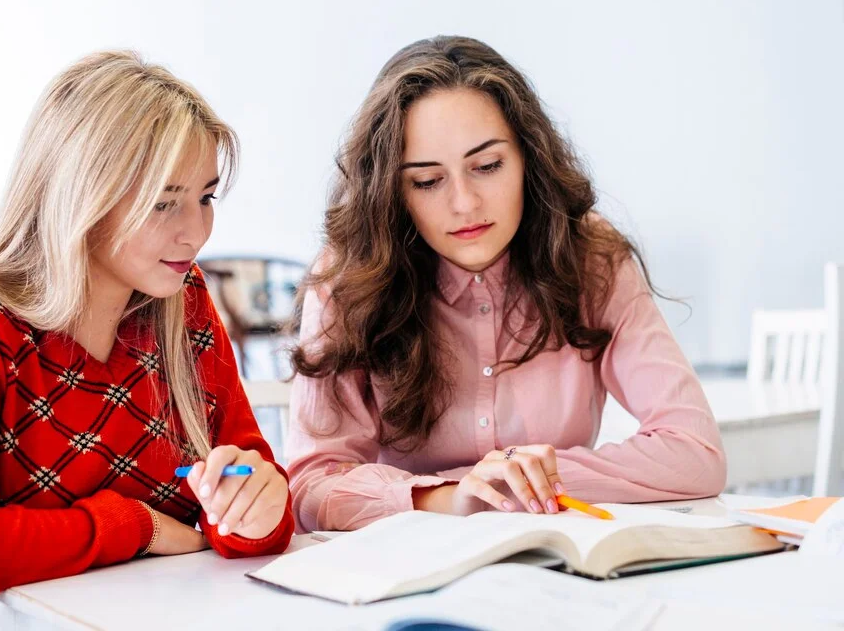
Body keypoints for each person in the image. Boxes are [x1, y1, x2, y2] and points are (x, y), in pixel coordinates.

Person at [0, 51, 293, 630]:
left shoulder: (186, 300)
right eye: (164, 202)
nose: (197, 231)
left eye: (206, 197)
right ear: (81, 198)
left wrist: (257, 513)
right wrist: (135, 526)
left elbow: (249, 497)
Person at [286, 35, 725, 533]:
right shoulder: (348, 278)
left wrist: (510, 483)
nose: (465, 204)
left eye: (488, 166)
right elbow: (311, 486)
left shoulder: (591, 258)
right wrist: (450, 497)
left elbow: (695, 452)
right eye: (428, 181)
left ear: (527, 160)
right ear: (392, 191)